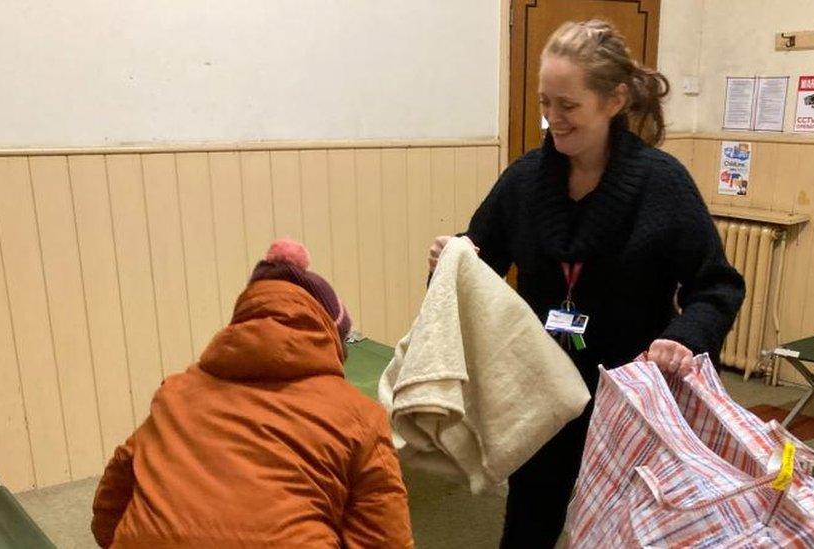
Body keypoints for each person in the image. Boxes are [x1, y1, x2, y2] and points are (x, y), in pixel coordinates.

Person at [429, 20, 744, 547]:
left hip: (629, 400)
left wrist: (686, 338)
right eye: (544, 101)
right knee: (529, 519)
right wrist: (453, 257)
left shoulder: (661, 183)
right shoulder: (524, 180)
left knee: (627, 530)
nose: (553, 118)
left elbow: (717, 287)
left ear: (614, 100)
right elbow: (480, 258)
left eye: (568, 105)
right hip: (544, 390)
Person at [92, 239, 413, 548]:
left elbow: (111, 501)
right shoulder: (361, 418)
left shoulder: (175, 393)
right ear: (333, 338)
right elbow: (383, 540)